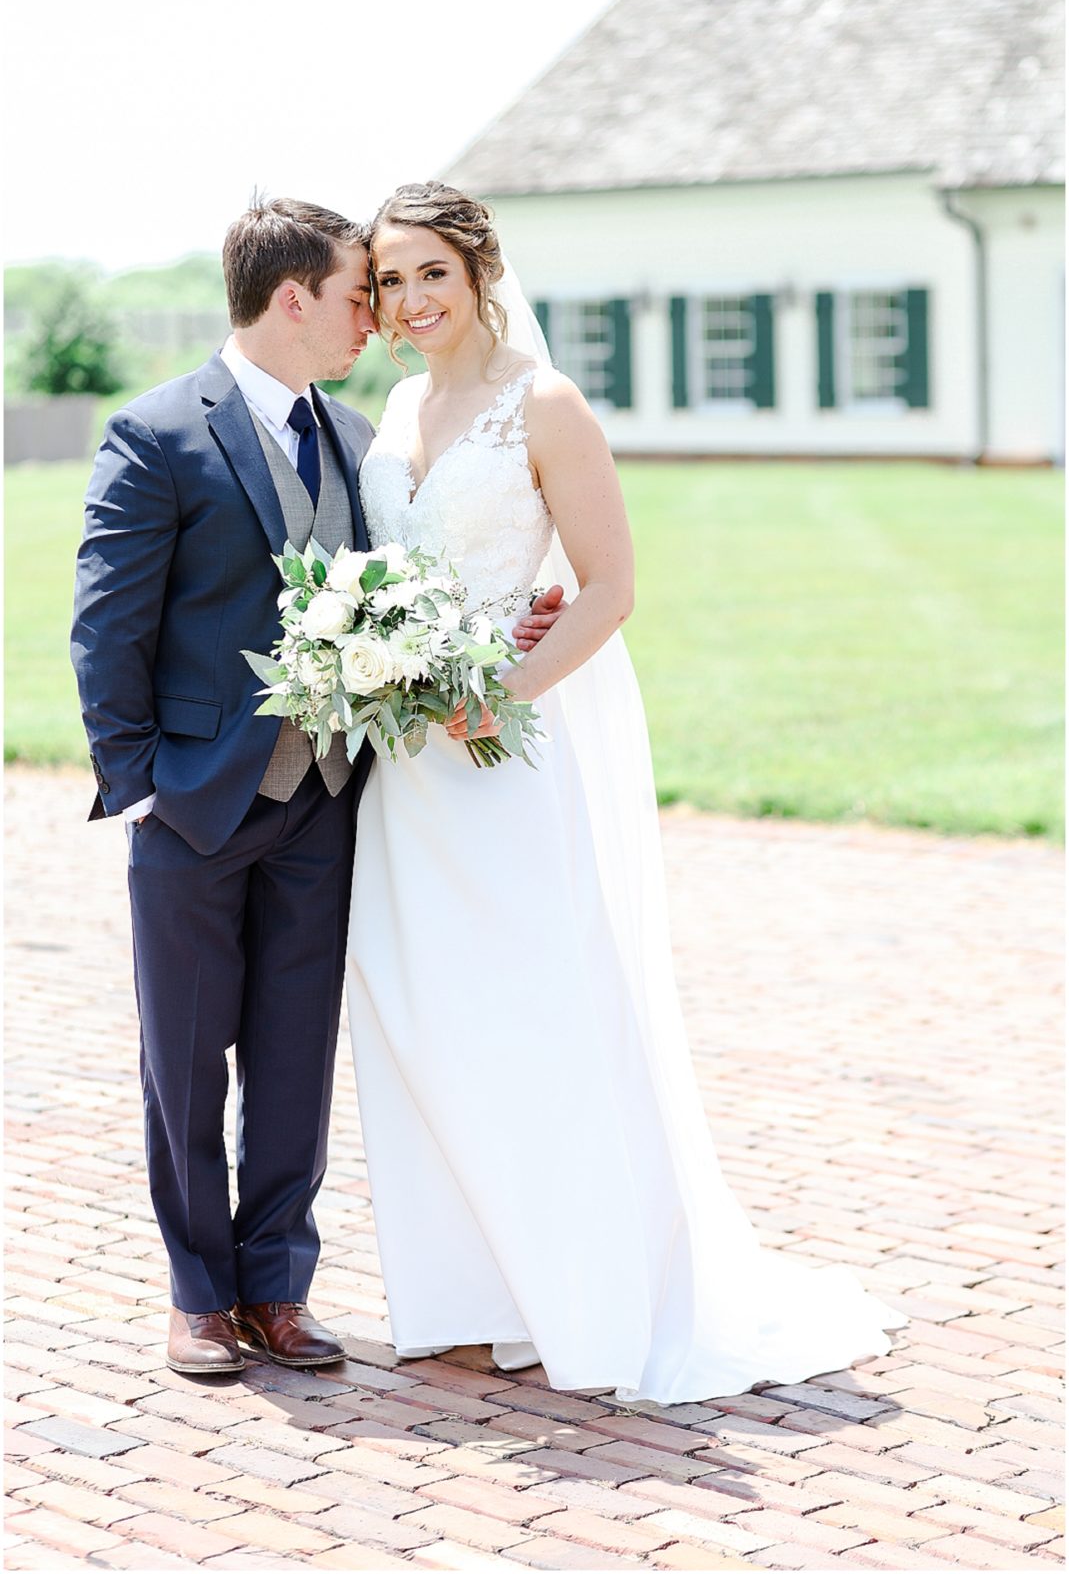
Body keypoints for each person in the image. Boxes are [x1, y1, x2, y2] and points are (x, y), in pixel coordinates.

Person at [346, 181, 907, 1402]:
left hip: (504, 755)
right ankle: (470, 1292)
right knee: (423, 1012)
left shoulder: (544, 405)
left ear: (481, 268)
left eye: (429, 271)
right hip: (410, 772)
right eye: (388, 280)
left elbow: (607, 585)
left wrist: (507, 690)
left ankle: (586, 1295)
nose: (408, 299)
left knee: (541, 1009)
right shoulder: (397, 403)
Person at [70, 195, 564, 1376]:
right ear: (291, 297)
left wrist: (508, 625)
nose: (374, 318)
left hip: (324, 804)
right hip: (191, 804)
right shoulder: (156, 432)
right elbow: (105, 628)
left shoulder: (356, 441)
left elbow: (412, 589)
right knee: (185, 1059)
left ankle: (278, 1286)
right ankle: (199, 1294)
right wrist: (140, 785)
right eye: (358, 295)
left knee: (294, 1053)